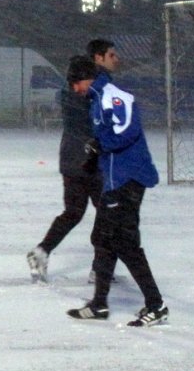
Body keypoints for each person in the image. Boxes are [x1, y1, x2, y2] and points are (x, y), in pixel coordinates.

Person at [64, 55, 169, 327]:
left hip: (129, 179)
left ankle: (156, 305)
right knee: (102, 237)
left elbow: (126, 130)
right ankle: (99, 304)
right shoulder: (98, 99)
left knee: (124, 243)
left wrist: (101, 144)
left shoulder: (113, 96)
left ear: (88, 77)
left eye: (76, 82)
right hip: (115, 180)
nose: (75, 89)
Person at [26, 39, 120, 284]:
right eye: (111, 55)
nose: (115, 59)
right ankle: (99, 268)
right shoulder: (90, 94)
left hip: (72, 161)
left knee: (74, 212)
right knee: (107, 214)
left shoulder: (72, 94)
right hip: (90, 163)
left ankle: (42, 251)